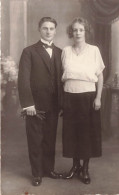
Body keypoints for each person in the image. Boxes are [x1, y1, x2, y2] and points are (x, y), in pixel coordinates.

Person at [18, 17, 63, 186]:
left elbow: (62, 80)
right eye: (45, 28)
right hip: (35, 106)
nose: (48, 31)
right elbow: (23, 80)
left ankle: (48, 169)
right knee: (35, 139)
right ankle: (37, 174)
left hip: (53, 105)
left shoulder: (59, 52)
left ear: (55, 30)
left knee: (50, 139)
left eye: (52, 28)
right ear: (39, 29)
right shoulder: (29, 51)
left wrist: (62, 103)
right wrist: (28, 104)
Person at [61, 17, 105, 184]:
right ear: (70, 32)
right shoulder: (65, 51)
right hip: (70, 97)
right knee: (71, 133)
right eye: (75, 30)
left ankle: (85, 168)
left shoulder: (94, 50)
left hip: (88, 97)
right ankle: (75, 166)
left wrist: (98, 97)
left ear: (86, 32)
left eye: (81, 30)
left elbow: (99, 76)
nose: (77, 33)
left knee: (86, 134)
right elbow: (61, 77)